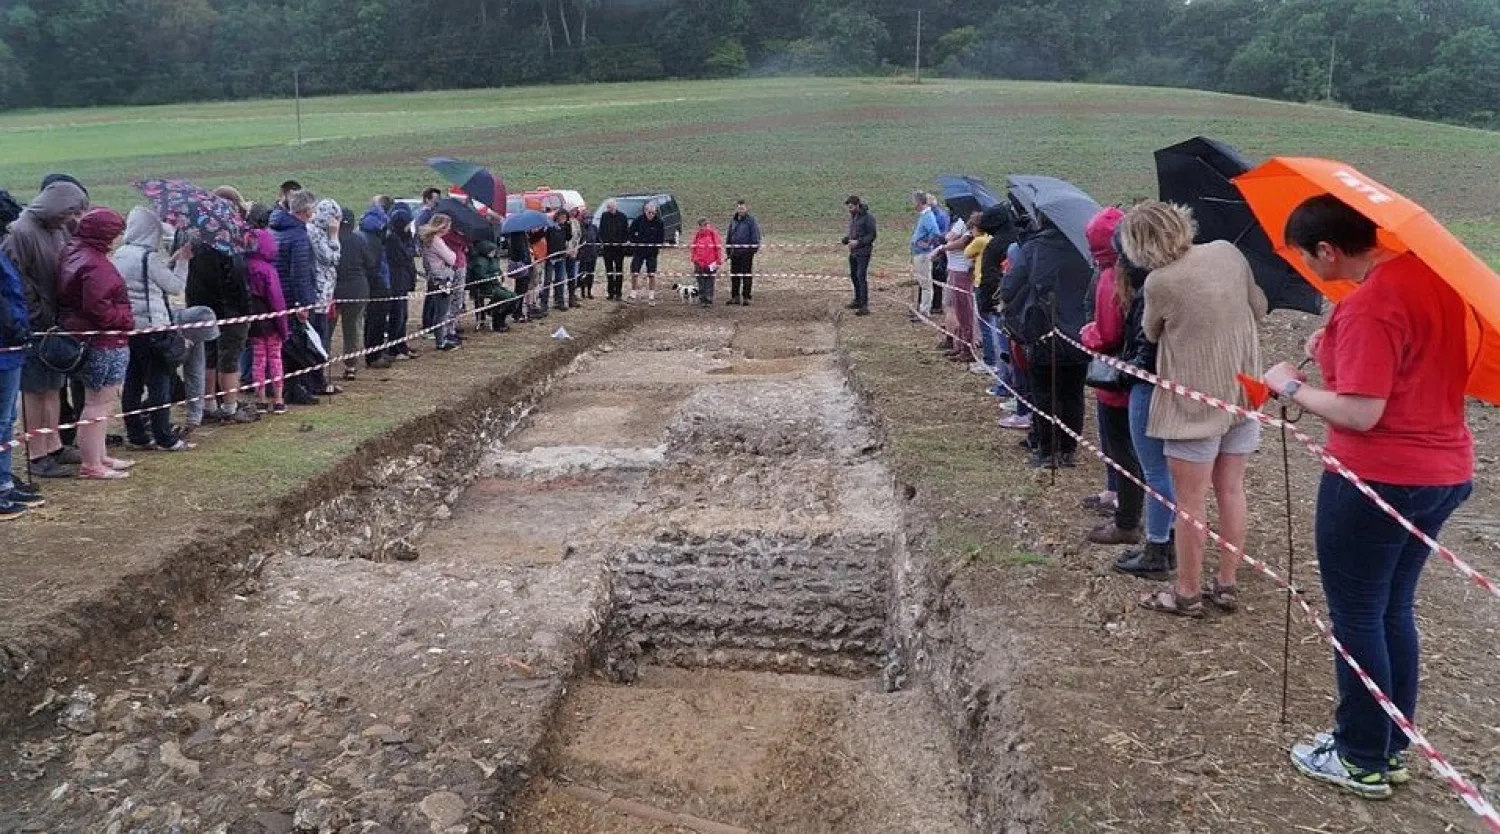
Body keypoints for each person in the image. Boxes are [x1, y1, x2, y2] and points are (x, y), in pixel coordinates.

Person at [1262, 196, 1474, 799]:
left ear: (1328, 249)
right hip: (1443, 471)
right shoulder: (1426, 280)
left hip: (1379, 478)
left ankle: (1359, 757)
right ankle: (1388, 745)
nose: (1305, 263)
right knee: (1390, 610)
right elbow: (1408, 365)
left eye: (1306, 255)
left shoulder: (1372, 304)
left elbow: (1361, 411)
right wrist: (1331, 341)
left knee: (1358, 614)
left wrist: (1290, 385)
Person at [1121, 201, 1266, 618]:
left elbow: (1150, 330)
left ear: (1139, 246)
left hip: (1193, 405)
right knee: (1232, 490)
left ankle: (1186, 591)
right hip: (1242, 393)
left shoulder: (1159, 282)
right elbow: (1258, 306)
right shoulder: (1228, 252)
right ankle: (1226, 583)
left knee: (1190, 503)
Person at [3, 180, 89, 477]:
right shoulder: (21, 232)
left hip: (55, 324)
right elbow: (13, 279)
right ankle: (36, 454)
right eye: (72, 211)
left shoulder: (58, 229)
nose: (74, 218)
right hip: (32, 326)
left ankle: (54, 445)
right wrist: (34, 313)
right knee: (34, 391)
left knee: (54, 387)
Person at [1110, 228, 1177, 579]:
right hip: (1174, 384)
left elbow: (1145, 346)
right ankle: (1168, 542)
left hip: (1149, 386)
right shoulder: (1177, 279)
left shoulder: (1149, 287)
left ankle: (1156, 547)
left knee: (1155, 470)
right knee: (1170, 469)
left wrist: (1123, 373)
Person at [1000, 214, 1093, 468]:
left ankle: (1046, 450)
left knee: (1044, 392)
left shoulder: (1033, 248)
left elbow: (1009, 287)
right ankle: (1068, 450)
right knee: (1073, 392)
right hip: (1080, 331)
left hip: (1043, 329)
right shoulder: (1083, 250)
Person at [1075, 207, 1144, 547]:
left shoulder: (1109, 278)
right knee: (1127, 446)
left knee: (1120, 446)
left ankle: (1127, 518)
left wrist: (1088, 334)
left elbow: (1108, 333)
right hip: (1132, 375)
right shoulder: (1135, 271)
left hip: (1114, 379)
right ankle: (1119, 497)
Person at [55, 208, 135, 480]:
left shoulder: (76, 254)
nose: (118, 239)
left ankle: (99, 455)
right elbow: (98, 308)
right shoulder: (95, 264)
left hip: (94, 338)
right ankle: (91, 463)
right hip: (103, 340)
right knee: (97, 403)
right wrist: (125, 318)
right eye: (115, 234)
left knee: (101, 402)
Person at [114, 206, 193, 452]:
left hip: (132, 327)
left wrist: (168, 261)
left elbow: (144, 280)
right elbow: (174, 286)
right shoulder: (148, 257)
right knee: (160, 384)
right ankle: (164, 436)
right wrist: (182, 263)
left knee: (133, 382)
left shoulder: (121, 253)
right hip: (154, 328)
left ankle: (136, 434)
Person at [190, 188, 261, 420]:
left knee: (208, 355)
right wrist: (246, 308)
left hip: (200, 302)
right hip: (230, 307)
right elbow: (238, 277)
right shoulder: (229, 236)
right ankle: (230, 406)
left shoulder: (193, 233)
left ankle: (208, 403)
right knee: (229, 357)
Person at [0, 193, 43, 517]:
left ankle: (3, 483)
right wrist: (15, 327)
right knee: (1, 420)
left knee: (7, 421)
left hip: (12, 346)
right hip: (4, 345)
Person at [272, 190, 330, 399]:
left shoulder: (278, 229)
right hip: (292, 298)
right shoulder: (298, 236)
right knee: (296, 344)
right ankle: (295, 388)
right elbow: (300, 272)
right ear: (306, 211)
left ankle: (291, 386)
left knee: (286, 345)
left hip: (280, 295)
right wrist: (302, 303)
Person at [243, 227, 289, 414]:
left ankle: (260, 398)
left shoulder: (243, 266)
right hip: (271, 323)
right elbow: (277, 301)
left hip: (253, 323)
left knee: (258, 360)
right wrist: (283, 328)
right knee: (275, 359)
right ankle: (278, 398)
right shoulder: (268, 271)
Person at [331, 207, 370, 379]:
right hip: (357, 288)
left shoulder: (330, 239)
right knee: (353, 328)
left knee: (327, 329)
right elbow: (370, 262)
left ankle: (320, 364)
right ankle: (351, 366)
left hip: (333, 289)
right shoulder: (359, 240)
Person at [356, 206, 394, 369]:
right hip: (378, 285)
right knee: (376, 321)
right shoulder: (374, 240)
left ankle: (376, 352)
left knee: (373, 321)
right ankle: (374, 356)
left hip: (373, 283)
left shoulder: (363, 235)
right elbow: (375, 265)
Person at [938, 205, 976, 363]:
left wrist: (943, 247)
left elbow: (956, 240)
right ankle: (959, 345)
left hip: (961, 270)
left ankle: (967, 349)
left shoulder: (966, 224)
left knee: (964, 311)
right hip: (955, 269)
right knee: (957, 310)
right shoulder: (963, 222)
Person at [420, 214, 461, 351]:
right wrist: (453, 253)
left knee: (438, 310)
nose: (449, 229)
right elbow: (451, 259)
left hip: (434, 277)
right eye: (448, 226)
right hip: (442, 278)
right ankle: (441, 341)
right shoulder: (436, 241)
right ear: (442, 226)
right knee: (442, 311)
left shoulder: (428, 240)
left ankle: (440, 338)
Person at [383, 203, 418, 359]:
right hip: (396, 281)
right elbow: (404, 256)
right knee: (397, 316)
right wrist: (409, 251)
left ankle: (402, 345)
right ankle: (394, 348)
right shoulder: (392, 239)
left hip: (404, 280)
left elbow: (411, 252)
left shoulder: (405, 237)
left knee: (403, 316)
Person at [307, 198, 342, 331]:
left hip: (325, 292)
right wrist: (334, 237)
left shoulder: (322, 232)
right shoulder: (315, 232)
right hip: (318, 292)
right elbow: (331, 258)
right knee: (319, 333)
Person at [908, 192, 943, 321]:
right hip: (919, 253)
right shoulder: (924, 216)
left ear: (918, 202)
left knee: (926, 284)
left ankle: (924, 311)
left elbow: (935, 232)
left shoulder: (928, 216)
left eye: (914, 201)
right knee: (923, 283)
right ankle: (923, 309)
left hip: (923, 254)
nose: (913, 204)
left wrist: (927, 243)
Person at [842, 196, 876, 316]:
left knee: (861, 276)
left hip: (863, 252)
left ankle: (864, 305)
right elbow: (854, 232)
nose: (849, 210)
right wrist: (847, 239)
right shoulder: (854, 217)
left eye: (851, 207)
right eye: (848, 208)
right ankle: (857, 300)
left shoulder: (868, 218)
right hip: (853, 252)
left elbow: (872, 235)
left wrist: (858, 242)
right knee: (854, 276)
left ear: (857, 205)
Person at [628, 202, 665, 306]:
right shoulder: (638, 220)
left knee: (651, 274)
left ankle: (652, 296)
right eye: (649, 212)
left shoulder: (659, 222)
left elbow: (661, 238)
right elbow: (631, 232)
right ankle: (633, 294)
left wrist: (655, 245)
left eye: (653, 213)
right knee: (635, 272)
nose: (651, 215)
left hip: (652, 252)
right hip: (639, 251)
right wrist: (636, 242)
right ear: (645, 211)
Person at [725, 200, 761, 305]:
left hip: (746, 253)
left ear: (746, 208)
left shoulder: (751, 221)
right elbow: (729, 236)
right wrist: (728, 250)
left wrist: (752, 250)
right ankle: (735, 297)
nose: (741, 210)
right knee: (734, 275)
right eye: (739, 208)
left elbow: (755, 236)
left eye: (742, 208)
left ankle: (746, 297)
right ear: (736, 209)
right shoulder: (733, 221)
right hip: (734, 253)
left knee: (746, 275)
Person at [599, 199, 630, 301]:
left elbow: (626, 232)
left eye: (612, 207)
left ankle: (618, 293)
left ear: (615, 207)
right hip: (607, 249)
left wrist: (621, 243)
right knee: (609, 271)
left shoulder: (623, 217)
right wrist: (603, 241)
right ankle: (610, 293)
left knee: (619, 271)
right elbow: (601, 231)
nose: (610, 209)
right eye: (609, 208)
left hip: (619, 249)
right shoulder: (604, 216)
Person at [689, 217, 722, 308]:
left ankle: (709, 299)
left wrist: (718, 260)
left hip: (711, 262)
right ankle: (702, 298)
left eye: (706, 225)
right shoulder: (697, 235)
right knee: (701, 282)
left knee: (710, 282)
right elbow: (693, 247)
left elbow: (718, 247)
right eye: (702, 225)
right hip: (699, 262)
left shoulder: (713, 234)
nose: (704, 227)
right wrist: (694, 259)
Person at [505, 229, 534, 325]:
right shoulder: (518, 234)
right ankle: (517, 312)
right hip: (522, 264)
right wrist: (526, 260)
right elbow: (521, 250)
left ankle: (518, 312)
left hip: (523, 263)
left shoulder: (521, 233)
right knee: (520, 289)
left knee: (521, 289)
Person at [546, 210, 571, 312]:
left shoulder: (564, 227)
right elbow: (547, 239)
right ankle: (544, 303)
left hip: (561, 256)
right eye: (562, 217)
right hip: (551, 257)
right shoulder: (551, 227)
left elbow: (569, 237)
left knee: (560, 279)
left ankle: (559, 301)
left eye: (565, 217)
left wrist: (568, 227)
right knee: (547, 281)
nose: (563, 219)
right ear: (557, 217)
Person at [576, 208, 600, 300]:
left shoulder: (594, 228)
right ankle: (582, 291)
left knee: (591, 273)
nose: (588, 220)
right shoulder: (580, 228)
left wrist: (597, 250)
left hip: (592, 255)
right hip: (582, 255)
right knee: (582, 274)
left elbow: (598, 240)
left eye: (590, 218)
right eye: (586, 218)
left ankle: (589, 291)